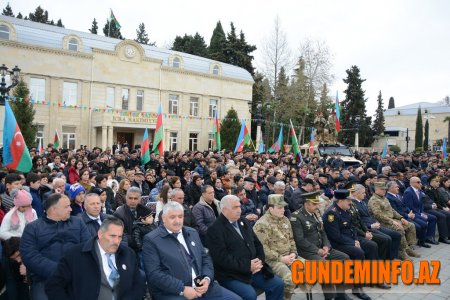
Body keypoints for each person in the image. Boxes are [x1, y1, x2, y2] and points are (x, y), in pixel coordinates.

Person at [142, 201, 240, 300]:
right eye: (172, 217)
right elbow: (154, 274)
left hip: (203, 287)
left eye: (180, 217)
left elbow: (205, 258)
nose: (177, 221)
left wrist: (207, 278)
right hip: (173, 292)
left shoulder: (192, 232)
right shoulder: (152, 240)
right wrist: (182, 289)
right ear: (163, 218)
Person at [45, 217, 145, 300]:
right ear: (100, 234)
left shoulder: (128, 254)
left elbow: (137, 283)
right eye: (112, 236)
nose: (116, 241)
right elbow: (54, 286)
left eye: (120, 237)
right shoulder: (75, 255)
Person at [206, 195, 284, 300]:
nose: (239, 210)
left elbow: (257, 244)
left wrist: (259, 262)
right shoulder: (215, 229)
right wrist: (247, 266)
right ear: (224, 210)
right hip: (232, 275)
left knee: (278, 284)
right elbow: (222, 258)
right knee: (249, 295)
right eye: (235, 207)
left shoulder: (243, 221)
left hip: (254, 269)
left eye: (239, 206)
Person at [20, 193, 91, 300]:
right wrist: (59, 271)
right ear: (54, 209)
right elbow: (30, 256)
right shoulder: (32, 228)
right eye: (67, 206)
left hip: (76, 276)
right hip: (45, 278)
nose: (71, 209)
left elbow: (88, 247)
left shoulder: (78, 223)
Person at [290, 191, 351, 300]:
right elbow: (300, 240)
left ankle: (341, 294)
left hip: (322, 248)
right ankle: (330, 297)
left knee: (344, 258)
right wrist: (317, 250)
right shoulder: (296, 217)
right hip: (307, 252)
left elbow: (322, 232)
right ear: (306, 204)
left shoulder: (315, 213)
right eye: (314, 204)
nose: (317, 206)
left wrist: (326, 246)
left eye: (317, 204)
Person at [253, 194, 310, 300]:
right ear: (270, 208)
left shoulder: (285, 220)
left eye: (283, 207)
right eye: (279, 208)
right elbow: (263, 250)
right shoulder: (261, 224)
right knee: (290, 279)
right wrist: (281, 258)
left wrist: (293, 253)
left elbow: (291, 239)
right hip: (272, 261)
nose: (283, 210)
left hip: (290, 256)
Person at [322, 190, 372, 300]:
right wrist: (352, 242)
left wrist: (355, 240)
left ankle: (358, 286)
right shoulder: (332, 213)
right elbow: (335, 236)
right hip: (336, 244)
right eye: (348, 200)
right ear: (341, 201)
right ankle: (356, 288)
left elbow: (352, 227)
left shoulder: (345, 209)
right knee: (359, 253)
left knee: (367, 247)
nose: (350, 202)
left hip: (348, 240)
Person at [368, 182, 420, 260]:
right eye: (382, 189)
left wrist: (401, 218)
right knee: (399, 229)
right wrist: (392, 221)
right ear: (377, 190)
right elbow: (378, 215)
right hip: (382, 222)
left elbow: (392, 210)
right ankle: (401, 252)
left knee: (411, 225)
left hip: (392, 219)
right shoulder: (373, 200)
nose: (384, 191)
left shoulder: (384, 198)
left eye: (385, 189)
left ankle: (408, 248)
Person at [385, 181, 432, 248]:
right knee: (418, 227)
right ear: (390, 188)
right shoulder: (389, 197)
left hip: (408, 214)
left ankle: (422, 241)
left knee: (424, 224)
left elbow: (405, 206)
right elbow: (395, 211)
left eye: (398, 187)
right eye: (396, 187)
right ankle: (410, 244)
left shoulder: (398, 195)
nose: (398, 188)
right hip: (401, 217)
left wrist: (410, 212)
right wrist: (407, 215)